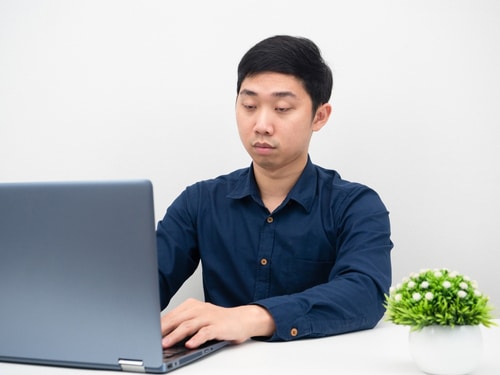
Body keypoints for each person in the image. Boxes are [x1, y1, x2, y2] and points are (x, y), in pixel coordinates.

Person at [157, 35, 393, 350]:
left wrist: (251, 318)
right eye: (249, 106)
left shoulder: (356, 206)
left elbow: (366, 293)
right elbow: (144, 285)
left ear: (319, 116)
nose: (262, 124)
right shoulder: (199, 201)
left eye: (282, 108)